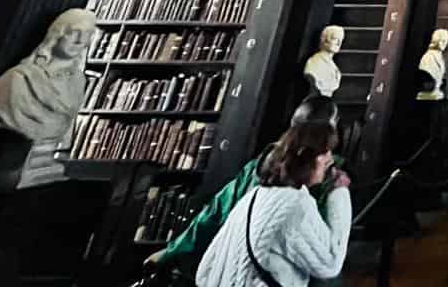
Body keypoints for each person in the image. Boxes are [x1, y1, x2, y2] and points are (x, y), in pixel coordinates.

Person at [145, 95, 342, 275]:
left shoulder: (261, 166)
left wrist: (170, 253)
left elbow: (214, 214)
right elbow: (328, 254)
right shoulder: (326, 176)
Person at [194, 122, 351, 287]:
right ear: (305, 156)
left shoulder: (254, 196)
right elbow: (330, 264)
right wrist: (340, 193)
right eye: (325, 152)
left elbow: (204, 272)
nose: (330, 159)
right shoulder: (295, 204)